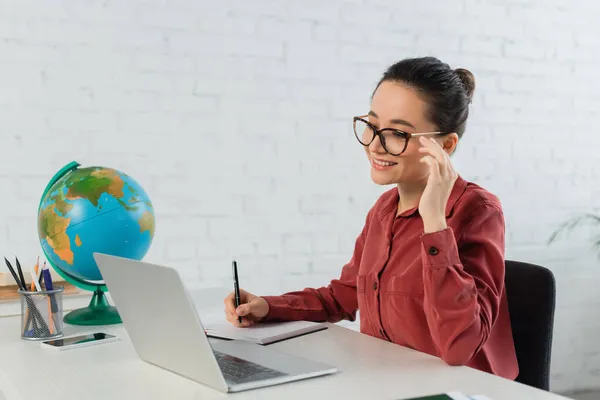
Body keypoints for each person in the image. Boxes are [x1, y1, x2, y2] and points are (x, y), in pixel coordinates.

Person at [224, 56, 518, 379]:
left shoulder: (478, 212)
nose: (376, 146)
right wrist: (268, 307)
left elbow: (460, 346)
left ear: (445, 145)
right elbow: (342, 296)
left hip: (459, 388)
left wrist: (434, 221)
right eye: (373, 125)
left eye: (397, 134)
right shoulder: (383, 211)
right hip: (385, 383)